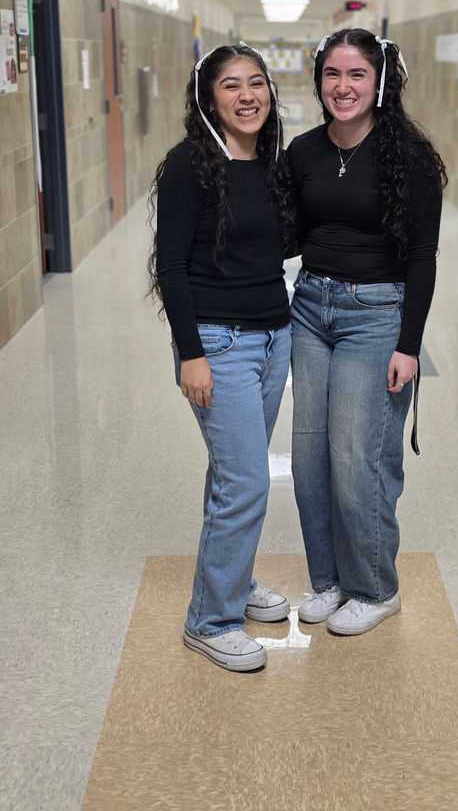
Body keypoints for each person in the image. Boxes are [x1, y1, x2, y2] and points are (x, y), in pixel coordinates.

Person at [287, 29, 446, 636]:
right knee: (310, 459)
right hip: (311, 309)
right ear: (318, 80)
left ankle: (376, 588)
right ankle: (330, 580)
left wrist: (410, 345)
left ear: (380, 81)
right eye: (332, 73)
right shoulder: (303, 151)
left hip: (378, 314)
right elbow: (288, 233)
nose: (343, 87)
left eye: (357, 74)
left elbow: (423, 258)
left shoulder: (409, 157)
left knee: (358, 460)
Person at [148, 44, 295, 672]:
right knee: (247, 480)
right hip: (219, 343)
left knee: (234, 474)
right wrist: (191, 353)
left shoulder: (271, 163)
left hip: (273, 336)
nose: (246, 95)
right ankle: (209, 621)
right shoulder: (187, 166)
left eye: (256, 83)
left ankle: (231, 582)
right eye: (231, 85)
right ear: (209, 97)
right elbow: (172, 265)